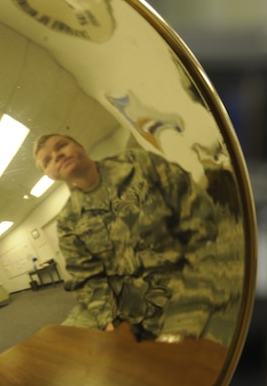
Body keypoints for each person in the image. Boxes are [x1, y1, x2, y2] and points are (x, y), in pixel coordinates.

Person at [33, 133, 232, 344]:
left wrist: (195, 295)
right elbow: (87, 278)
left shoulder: (139, 165)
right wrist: (108, 322)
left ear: (79, 145)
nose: (57, 156)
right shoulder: (68, 222)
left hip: (192, 285)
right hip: (134, 313)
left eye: (61, 145)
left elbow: (202, 224)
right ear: (49, 174)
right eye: (47, 160)